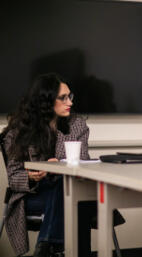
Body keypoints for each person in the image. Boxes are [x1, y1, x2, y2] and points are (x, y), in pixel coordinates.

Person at [2, 73, 91, 257]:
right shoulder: (19, 131)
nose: (70, 103)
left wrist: (59, 165)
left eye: (70, 96)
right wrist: (31, 176)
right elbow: (14, 177)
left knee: (67, 190)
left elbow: (83, 161)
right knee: (75, 200)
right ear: (46, 101)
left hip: (67, 190)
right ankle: (53, 248)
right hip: (34, 195)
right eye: (63, 98)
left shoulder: (77, 125)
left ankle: (46, 247)